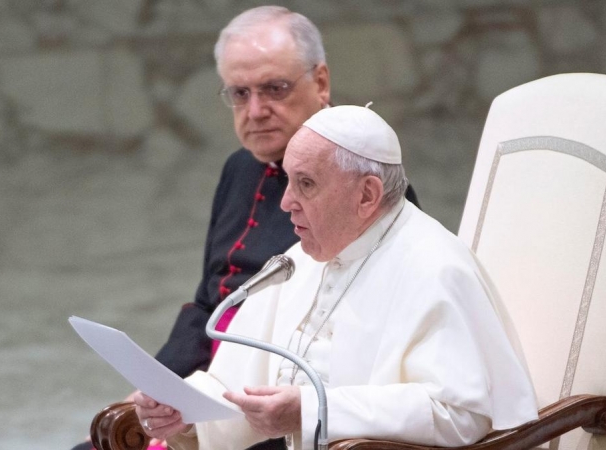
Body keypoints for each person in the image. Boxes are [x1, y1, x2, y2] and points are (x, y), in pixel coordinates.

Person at [72, 6, 418, 450]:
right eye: (239, 93)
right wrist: (151, 393)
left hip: (279, 412)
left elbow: (357, 348)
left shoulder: (362, 190)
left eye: (275, 88)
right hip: (205, 395)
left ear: (321, 82)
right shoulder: (239, 169)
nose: (255, 111)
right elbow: (207, 302)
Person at [133, 105, 538, 450]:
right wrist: (182, 412)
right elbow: (236, 383)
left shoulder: (436, 268)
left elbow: (460, 414)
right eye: (288, 180)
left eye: (305, 184)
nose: (286, 202)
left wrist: (311, 409)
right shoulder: (303, 258)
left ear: (366, 195)